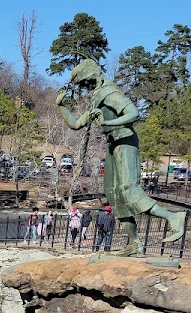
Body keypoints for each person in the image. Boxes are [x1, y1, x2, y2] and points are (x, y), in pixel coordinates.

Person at [57, 59, 186, 255]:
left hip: (125, 142)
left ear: (92, 76)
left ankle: (173, 217)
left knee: (128, 190)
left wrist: (110, 125)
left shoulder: (109, 93)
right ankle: (134, 243)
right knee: (113, 194)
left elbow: (133, 113)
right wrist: (61, 105)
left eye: (86, 83)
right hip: (113, 144)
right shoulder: (98, 96)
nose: (85, 88)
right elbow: (76, 124)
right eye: (83, 86)